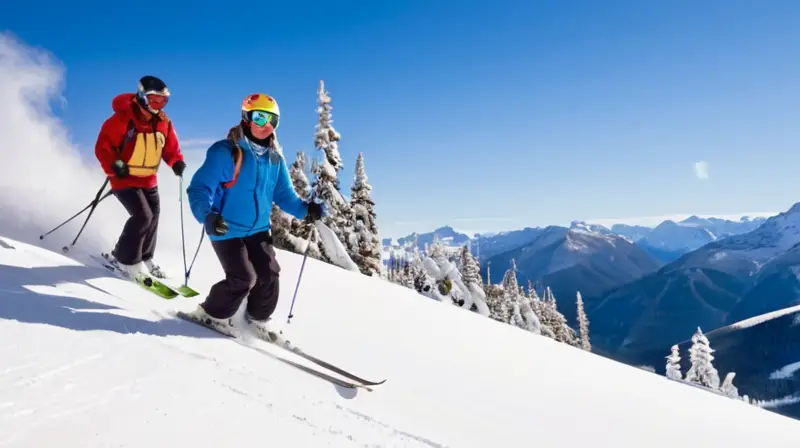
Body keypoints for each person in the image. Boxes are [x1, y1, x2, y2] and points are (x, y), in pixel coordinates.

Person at [186, 93, 323, 342]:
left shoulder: (274, 160)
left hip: (259, 230)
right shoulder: (225, 152)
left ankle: (256, 319)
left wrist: (306, 210)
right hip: (225, 228)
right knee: (243, 277)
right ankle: (211, 314)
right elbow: (198, 188)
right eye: (260, 117)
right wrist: (207, 216)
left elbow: (284, 195)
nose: (266, 124)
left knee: (269, 275)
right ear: (246, 118)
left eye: (273, 120)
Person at [94, 75, 186, 279]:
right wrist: (116, 165)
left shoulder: (164, 122)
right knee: (142, 217)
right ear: (143, 97)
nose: (159, 105)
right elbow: (103, 147)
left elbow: (170, 148)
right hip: (124, 178)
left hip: (148, 179)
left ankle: (145, 256)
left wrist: (176, 161)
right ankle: (123, 259)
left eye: (164, 101)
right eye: (155, 100)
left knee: (153, 216)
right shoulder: (123, 118)